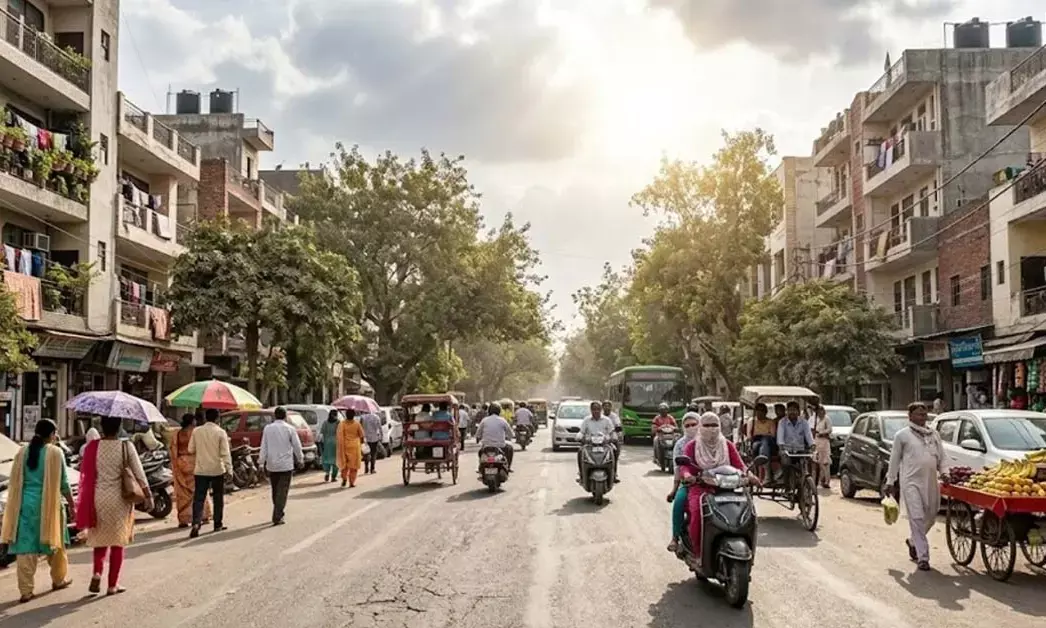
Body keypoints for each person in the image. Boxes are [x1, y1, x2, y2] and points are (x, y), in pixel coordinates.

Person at [0, 419, 74, 603]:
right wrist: (72, 504)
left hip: (25, 505)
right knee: (54, 543)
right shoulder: (55, 453)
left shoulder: (22, 452)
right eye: (55, 433)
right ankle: (59, 580)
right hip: (49, 505)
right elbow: (64, 484)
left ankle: (26, 591)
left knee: (26, 547)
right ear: (52, 434)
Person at [77, 415, 151, 596]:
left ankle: (97, 573)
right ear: (119, 428)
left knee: (100, 538)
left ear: (102, 427)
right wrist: (148, 495)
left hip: (98, 498)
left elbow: (86, 473)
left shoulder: (92, 447)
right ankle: (112, 585)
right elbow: (139, 473)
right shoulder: (126, 446)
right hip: (119, 499)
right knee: (118, 541)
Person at [677, 413, 759, 559]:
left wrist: (751, 476)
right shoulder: (692, 446)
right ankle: (698, 553)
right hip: (700, 486)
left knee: (747, 511)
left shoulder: (727, 445)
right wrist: (688, 475)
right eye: (707, 425)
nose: (711, 429)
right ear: (700, 427)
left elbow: (739, 464)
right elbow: (685, 467)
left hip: (727, 487)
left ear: (720, 426)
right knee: (697, 512)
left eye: (714, 425)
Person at [886, 402, 946, 571]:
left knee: (931, 516)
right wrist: (890, 481)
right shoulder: (902, 436)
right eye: (919, 414)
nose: (922, 417)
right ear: (910, 416)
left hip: (930, 481)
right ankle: (923, 557)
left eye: (924, 414)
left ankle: (913, 541)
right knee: (917, 517)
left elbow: (942, 457)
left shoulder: (933, 434)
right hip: (911, 482)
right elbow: (894, 460)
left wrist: (945, 472)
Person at [187, 408, 231, 539]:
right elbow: (225, 453)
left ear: (206, 418)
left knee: (199, 498)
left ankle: (196, 523)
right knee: (218, 498)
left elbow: (190, 449)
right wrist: (229, 469)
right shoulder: (221, 432)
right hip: (217, 470)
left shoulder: (197, 431)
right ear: (217, 419)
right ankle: (217, 524)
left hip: (201, 470)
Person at [258, 407, 303, 526]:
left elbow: (264, 446)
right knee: (282, 492)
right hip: (285, 465)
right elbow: (297, 446)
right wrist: (300, 459)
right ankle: (278, 515)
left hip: (272, 465)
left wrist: (261, 462)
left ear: (275, 416)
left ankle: (278, 512)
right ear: (285, 416)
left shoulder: (268, 429)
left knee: (275, 490)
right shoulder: (290, 429)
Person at [170, 414, 212, 529]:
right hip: (194, 463)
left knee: (183, 492)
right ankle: (204, 516)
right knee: (200, 490)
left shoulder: (177, 433)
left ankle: (184, 519)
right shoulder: (196, 433)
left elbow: (173, 449)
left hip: (181, 464)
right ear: (192, 421)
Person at [666, 412, 700, 553]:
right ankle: (675, 537)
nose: (691, 428)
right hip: (689, 483)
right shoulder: (680, 444)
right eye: (687, 426)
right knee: (679, 502)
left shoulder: (710, 440)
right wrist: (675, 489)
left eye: (694, 424)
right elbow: (678, 468)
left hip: (713, 482)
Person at [577, 401, 616, 480]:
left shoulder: (607, 420)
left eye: (598, 409)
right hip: (589, 445)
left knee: (614, 451)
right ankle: (581, 474)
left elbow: (612, 432)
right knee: (580, 451)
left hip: (605, 444)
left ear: (601, 410)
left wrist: (613, 437)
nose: (596, 411)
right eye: (594, 409)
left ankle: (613, 474)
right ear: (591, 410)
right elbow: (581, 432)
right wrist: (579, 437)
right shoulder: (586, 420)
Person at [475, 404, 514, 470]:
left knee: (480, 452)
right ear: (499, 411)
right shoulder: (502, 420)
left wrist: (479, 438)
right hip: (500, 445)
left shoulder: (484, 420)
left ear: (489, 411)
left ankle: (480, 467)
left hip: (486, 445)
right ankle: (508, 467)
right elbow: (510, 433)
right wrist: (509, 436)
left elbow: (478, 434)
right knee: (510, 448)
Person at [336, 409, 365, 487]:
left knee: (344, 465)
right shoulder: (357, 424)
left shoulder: (342, 424)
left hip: (344, 447)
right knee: (354, 466)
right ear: (354, 416)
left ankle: (344, 478)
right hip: (355, 447)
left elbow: (338, 436)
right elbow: (362, 435)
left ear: (346, 415)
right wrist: (362, 443)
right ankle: (351, 482)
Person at [811, 405, 833, 489]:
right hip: (817, 442)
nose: (820, 413)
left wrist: (822, 433)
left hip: (824, 442)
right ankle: (821, 480)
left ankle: (827, 481)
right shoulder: (816, 419)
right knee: (818, 462)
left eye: (821, 411)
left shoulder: (826, 419)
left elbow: (829, 429)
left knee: (826, 462)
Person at [320, 410, 341, 482]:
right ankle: (333, 477)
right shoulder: (338, 423)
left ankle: (327, 473)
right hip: (336, 443)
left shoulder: (325, 423)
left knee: (326, 459)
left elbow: (322, 432)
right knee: (336, 460)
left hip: (327, 444)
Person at [360, 409, 383, 475]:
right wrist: (381, 436)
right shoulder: (376, 417)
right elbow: (380, 427)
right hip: (374, 438)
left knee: (366, 453)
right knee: (373, 453)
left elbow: (360, 427)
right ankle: (372, 469)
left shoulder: (362, 417)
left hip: (365, 438)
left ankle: (366, 468)